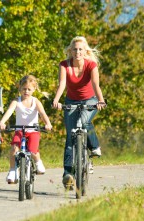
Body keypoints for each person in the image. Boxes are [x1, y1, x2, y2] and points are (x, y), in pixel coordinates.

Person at [52, 36, 106, 188]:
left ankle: (94, 146)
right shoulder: (64, 65)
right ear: (70, 51)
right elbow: (62, 84)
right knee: (70, 137)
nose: (78, 52)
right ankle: (68, 174)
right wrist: (56, 100)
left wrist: (101, 100)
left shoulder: (91, 65)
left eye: (81, 49)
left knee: (83, 122)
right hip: (71, 101)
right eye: (75, 49)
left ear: (85, 51)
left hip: (90, 100)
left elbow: (96, 84)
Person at [0, 75, 52, 184]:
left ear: (34, 89)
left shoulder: (36, 101)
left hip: (33, 131)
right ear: (20, 89)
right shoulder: (16, 101)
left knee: (33, 150)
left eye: (29, 89)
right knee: (14, 149)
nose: (26, 91)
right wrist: (2, 122)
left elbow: (42, 113)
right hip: (19, 131)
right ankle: (13, 170)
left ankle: (38, 162)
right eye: (24, 89)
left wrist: (47, 123)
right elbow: (9, 111)